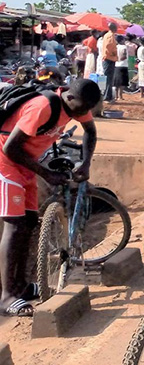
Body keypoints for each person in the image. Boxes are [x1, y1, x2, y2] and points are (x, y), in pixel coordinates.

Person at [0, 78, 101, 316]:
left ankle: (21, 286)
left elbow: (90, 132)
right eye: (82, 109)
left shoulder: (78, 105)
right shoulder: (43, 107)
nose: (84, 114)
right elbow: (10, 148)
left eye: (88, 110)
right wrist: (46, 174)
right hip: (5, 163)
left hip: (26, 165)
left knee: (28, 223)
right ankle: (6, 296)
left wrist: (86, 163)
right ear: (70, 97)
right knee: (14, 226)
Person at [100, 22, 119, 102]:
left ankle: (108, 96)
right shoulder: (110, 36)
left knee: (108, 78)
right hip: (109, 58)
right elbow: (109, 46)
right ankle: (107, 97)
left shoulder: (107, 35)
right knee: (108, 78)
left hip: (107, 58)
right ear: (114, 28)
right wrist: (114, 53)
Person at [113, 34, 129, 101]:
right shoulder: (124, 47)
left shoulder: (115, 47)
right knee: (122, 82)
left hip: (116, 65)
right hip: (123, 65)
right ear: (122, 40)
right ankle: (120, 96)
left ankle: (116, 96)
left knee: (116, 82)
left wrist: (116, 59)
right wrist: (120, 59)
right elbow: (124, 55)